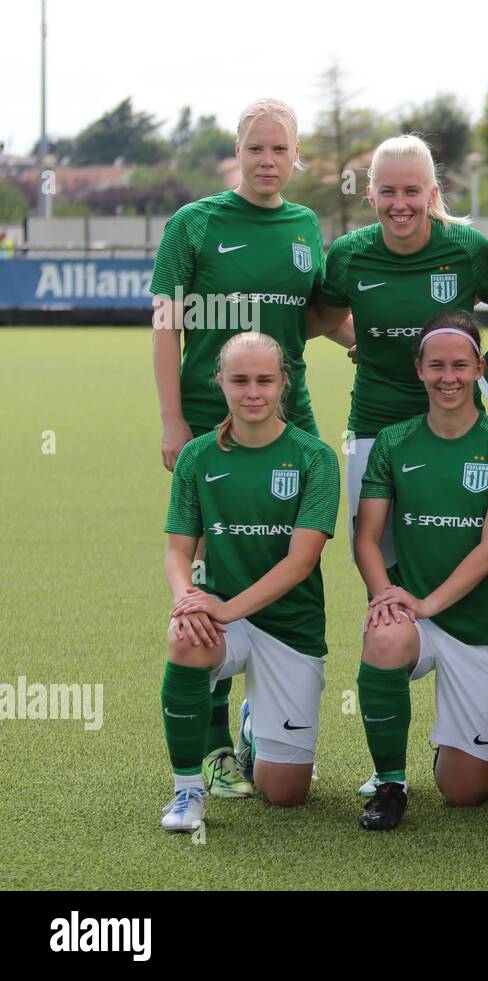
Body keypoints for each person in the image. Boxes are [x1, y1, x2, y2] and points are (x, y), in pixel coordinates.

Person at [313, 134, 488, 793]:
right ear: (371, 195)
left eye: (413, 191)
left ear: (434, 194)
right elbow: (318, 315)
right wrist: (360, 343)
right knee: (384, 570)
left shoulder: (466, 250)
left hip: (462, 432)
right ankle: (389, 764)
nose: (401, 204)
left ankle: (483, 717)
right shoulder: (349, 255)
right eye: (388, 192)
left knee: (468, 557)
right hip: (376, 431)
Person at [151, 97, 332, 799]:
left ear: (296, 157)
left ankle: (276, 699)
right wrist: (173, 420)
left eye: (279, 150)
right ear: (238, 152)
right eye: (256, 148)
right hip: (209, 419)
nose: (267, 161)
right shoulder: (193, 224)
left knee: (296, 553)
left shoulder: (305, 224)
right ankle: (217, 745)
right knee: (210, 566)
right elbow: (166, 325)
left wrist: (377, 337)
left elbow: (308, 315)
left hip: (293, 417)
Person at [351, 313, 488, 829]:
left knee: (465, 794)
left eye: (459, 365)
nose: (447, 377)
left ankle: (471, 741)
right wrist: (386, 595)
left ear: (478, 368)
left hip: (478, 626)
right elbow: (366, 536)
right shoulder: (393, 441)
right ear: (419, 370)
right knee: (384, 637)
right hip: (414, 618)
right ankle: (389, 783)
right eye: (436, 366)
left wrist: (429, 602)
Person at [159, 332, 339, 831]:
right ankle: (187, 791)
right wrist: (189, 600)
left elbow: (300, 561)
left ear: (285, 381)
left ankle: (252, 726)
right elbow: (178, 549)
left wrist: (223, 610)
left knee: (285, 793)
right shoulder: (198, 456)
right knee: (187, 639)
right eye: (239, 380)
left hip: (291, 625)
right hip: (222, 613)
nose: (252, 392)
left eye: (265, 379)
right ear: (219, 382)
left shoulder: (316, 457)